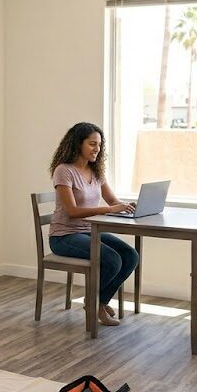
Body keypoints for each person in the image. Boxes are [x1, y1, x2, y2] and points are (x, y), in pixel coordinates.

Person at [48, 122, 139, 326]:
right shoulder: (64, 171)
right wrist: (109, 210)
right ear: (77, 144)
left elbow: (112, 201)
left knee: (131, 255)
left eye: (99, 145)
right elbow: (72, 211)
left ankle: (98, 300)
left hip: (89, 232)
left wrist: (126, 206)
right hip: (64, 236)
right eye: (92, 144)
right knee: (112, 260)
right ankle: (96, 304)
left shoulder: (96, 171)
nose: (97, 149)